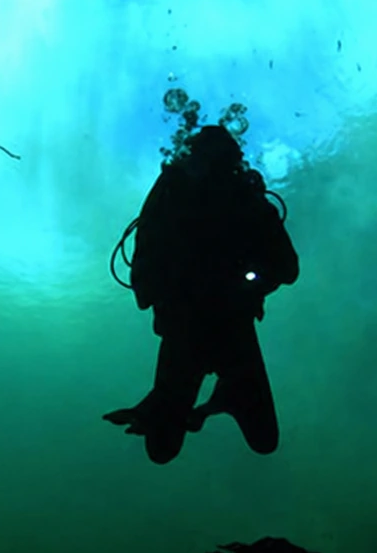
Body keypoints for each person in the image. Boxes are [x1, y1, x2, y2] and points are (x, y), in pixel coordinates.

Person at [104, 124, 300, 464]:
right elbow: (286, 268)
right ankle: (222, 397)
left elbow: (286, 267)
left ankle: (219, 398)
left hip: (203, 325)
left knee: (169, 448)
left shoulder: (225, 196)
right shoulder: (191, 194)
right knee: (165, 449)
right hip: (214, 325)